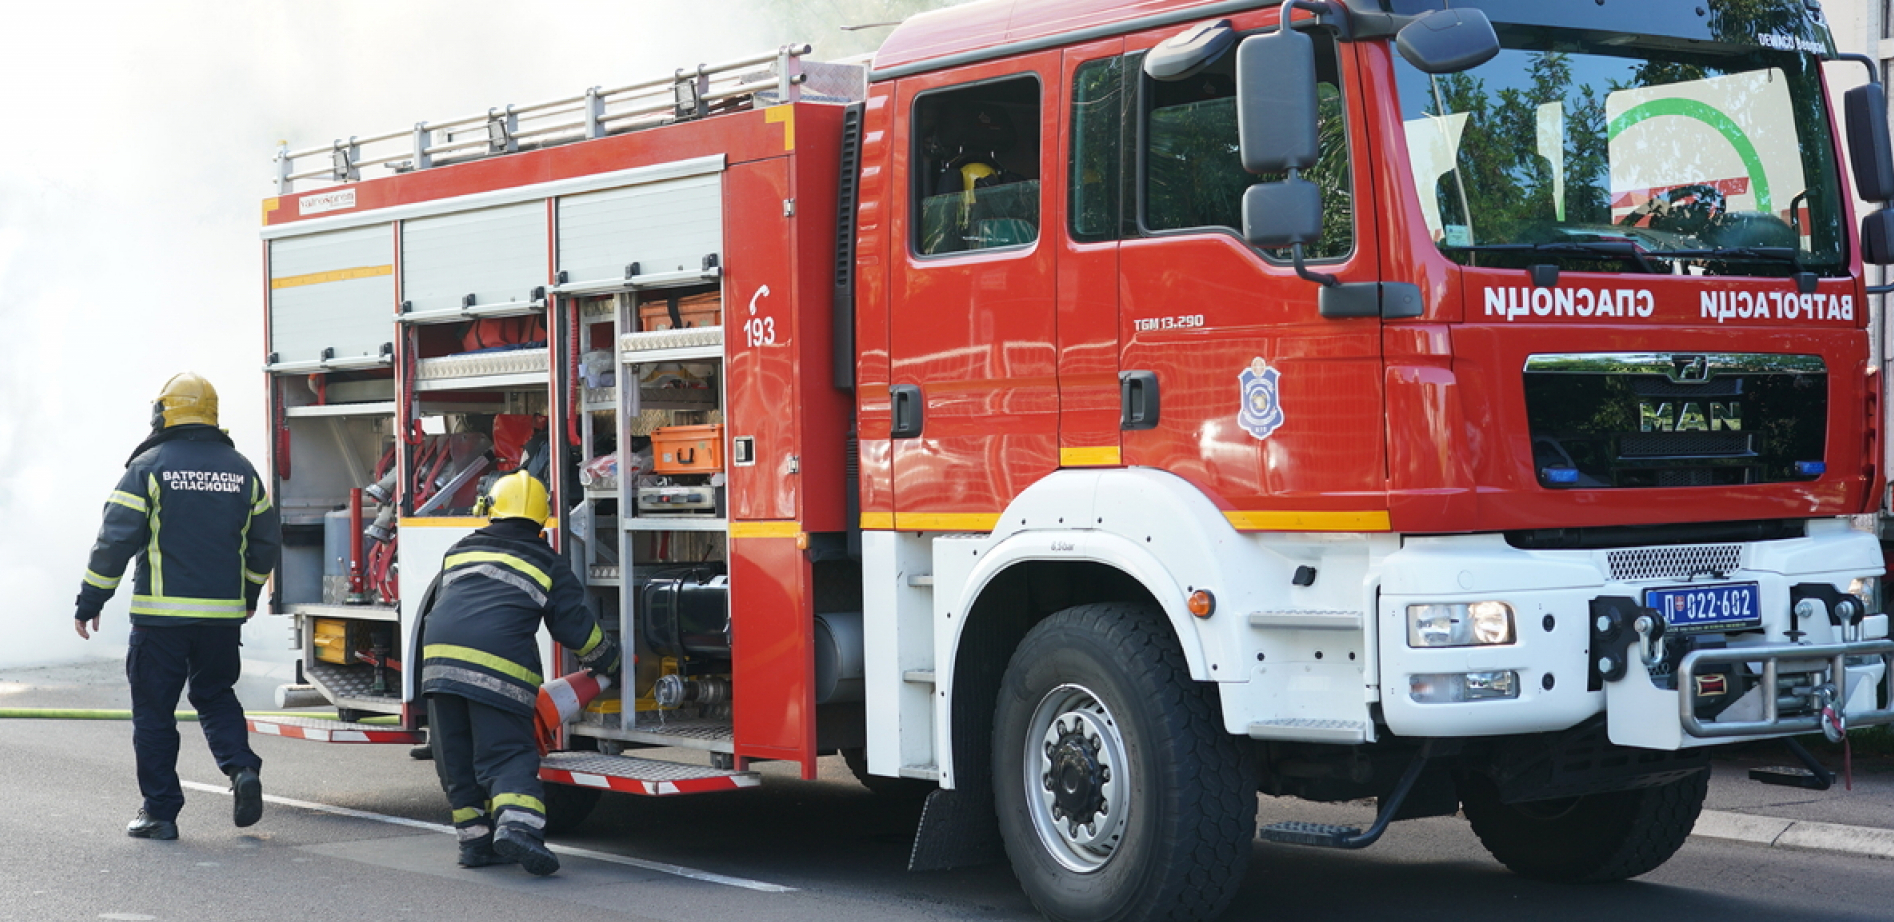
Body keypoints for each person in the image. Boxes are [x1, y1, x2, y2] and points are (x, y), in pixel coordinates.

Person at [75, 372, 279, 840]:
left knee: (154, 713)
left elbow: (115, 540)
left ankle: (161, 813)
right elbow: (265, 543)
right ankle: (242, 769)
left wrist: (91, 599)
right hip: (222, 620)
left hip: (160, 621)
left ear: (165, 412)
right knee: (214, 694)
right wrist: (246, 596)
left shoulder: (149, 466)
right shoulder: (241, 469)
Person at [417, 469, 618, 875]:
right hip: (498, 668)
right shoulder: (546, 560)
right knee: (506, 753)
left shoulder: (460, 549)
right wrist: (607, 659)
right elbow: (573, 626)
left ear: (491, 510)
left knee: (458, 758)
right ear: (542, 519)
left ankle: (474, 844)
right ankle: (519, 829)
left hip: (437, 667)